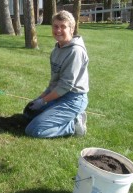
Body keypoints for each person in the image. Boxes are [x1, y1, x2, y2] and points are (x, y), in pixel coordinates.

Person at [23, 10, 89, 138]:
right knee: (28, 114)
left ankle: (74, 125)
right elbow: (54, 82)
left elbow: (65, 86)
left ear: (72, 28)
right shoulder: (56, 49)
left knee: (34, 129)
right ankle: (65, 118)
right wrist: (39, 98)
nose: (58, 30)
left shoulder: (75, 51)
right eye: (55, 26)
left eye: (63, 26)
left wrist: (43, 101)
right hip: (59, 95)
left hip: (73, 99)